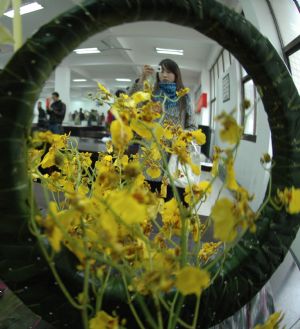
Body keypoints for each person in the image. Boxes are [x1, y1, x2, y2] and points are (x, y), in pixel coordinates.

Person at [130, 58, 197, 202]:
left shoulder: (184, 98)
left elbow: (192, 126)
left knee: (168, 201)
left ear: (176, 75)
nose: (165, 75)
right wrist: (142, 79)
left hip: (173, 157)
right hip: (149, 154)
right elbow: (132, 104)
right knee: (146, 200)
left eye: (169, 72)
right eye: (162, 71)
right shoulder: (151, 94)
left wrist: (180, 137)